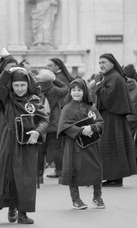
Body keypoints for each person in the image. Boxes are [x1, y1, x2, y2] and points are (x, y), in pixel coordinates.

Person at [0, 67, 49, 224]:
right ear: (11, 86)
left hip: (28, 143)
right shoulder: (6, 99)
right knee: (9, 175)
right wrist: (9, 71)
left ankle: (23, 212)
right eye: (16, 85)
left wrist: (37, 132)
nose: (20, 89)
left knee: (26, 178)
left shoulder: (34, 100)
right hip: (10, 140)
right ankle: (11, 208)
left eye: (23, 85)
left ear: (28, 85)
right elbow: (0, 86)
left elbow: (44, 120)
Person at [89, 53, 137, 187]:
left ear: (112, 63)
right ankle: (114, 177)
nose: (101, 65)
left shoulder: (115, 77)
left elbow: (108, 98)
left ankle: (115, 178)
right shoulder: (111, 76)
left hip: (112, 117)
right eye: (100, 63)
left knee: (111, 146)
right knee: (112, 146)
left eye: (104, 62)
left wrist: (98, 84)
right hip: (110, 116)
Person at [57, 77, 105, 210]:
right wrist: (80, 131)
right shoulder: (67, 108)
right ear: (70, 92)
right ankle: (76, 199)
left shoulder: (91, 107)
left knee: (96, 168)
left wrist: (92, 128)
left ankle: (97, 196)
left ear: (85, 91)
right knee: (74, 170)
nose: (76, 92)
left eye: (79, 90)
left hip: (91, 144)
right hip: (74, 145)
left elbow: (100, 122)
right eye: (73, 90)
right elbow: (63, 126)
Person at [35, 69, 68, 183]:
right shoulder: (54, 90)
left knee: (40, 151)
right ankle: (61, 174)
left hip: (40, 125)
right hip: (54, 124)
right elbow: (65, 88)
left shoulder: (35, 90)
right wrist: (54, 78)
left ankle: (38, 176)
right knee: (56, 150)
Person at [45, 57, 73, 178]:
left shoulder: (58, 79)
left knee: (57, 146)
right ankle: (60, 170)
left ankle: (60, 171)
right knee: (60, 145)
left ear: (58, 66)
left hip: (58, 116)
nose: (48, 67)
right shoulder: (62, 78)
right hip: (63, 116)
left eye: (50, 65)